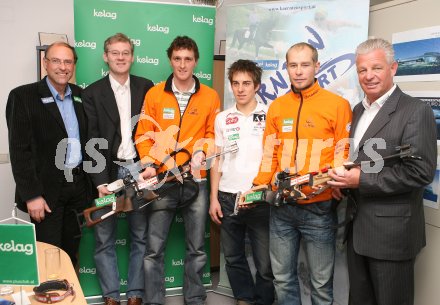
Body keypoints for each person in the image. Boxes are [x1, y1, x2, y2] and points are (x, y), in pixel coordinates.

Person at [328, 38, 437, 305]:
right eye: (362, 70)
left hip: (391, 237)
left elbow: (420, 172)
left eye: (376, 68)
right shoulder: (357, 110)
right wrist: (342, 179)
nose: (369, 76)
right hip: (357, 231)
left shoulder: (415, 111)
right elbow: (360, 159)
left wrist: (360, 180)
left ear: (393, 68)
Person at [252, 42, 352, 305]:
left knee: (321, 284)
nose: (298, 71)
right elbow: (269, 154)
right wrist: (260, 184)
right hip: (281, 208)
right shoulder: (277, 107)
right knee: (283, 279)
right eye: (292, 65)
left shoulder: (338, 105)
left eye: (305, 65)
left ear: (316, 66)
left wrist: (339, 180)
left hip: (319, 208)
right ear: (286, 68)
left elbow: (343, 151)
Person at [135, 36, 221, 305]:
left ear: (196, 61)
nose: (182, 65)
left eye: (188, 59)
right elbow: (143, 133)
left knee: (197, 248)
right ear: (170, 60)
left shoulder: (210, 96)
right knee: (154, 249)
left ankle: (195, 299)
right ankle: (154, 300)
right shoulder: (155, 94)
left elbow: (211, 134)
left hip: (197, 181)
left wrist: (201, 152)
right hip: (163, 182)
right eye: (177, 58)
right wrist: (153, 163)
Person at [82, 33, 154, 305]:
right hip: (106, 176)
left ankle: (135, 294)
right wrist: (99, 180)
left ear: (132, 57)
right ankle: (111, 297)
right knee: (103, 239)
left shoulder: (147, 87)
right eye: (115, 53)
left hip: (138, 172)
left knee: (140, 236)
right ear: (106, 56)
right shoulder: (92, 93)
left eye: (126, 53)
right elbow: (92, 140)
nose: (121, 57)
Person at [6, 42, 90, 265]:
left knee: (72, 254)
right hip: (45, 192)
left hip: (78, 188)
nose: (62, 67)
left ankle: (69, 298)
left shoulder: (82, 96)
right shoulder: (23, 96)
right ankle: (50, 298)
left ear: (73, 66)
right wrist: (31, 195)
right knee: (48, 256)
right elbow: (19, 151)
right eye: (56, 60)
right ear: (45, 64)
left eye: (68, 62)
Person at [209, 59, 274, 305]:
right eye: (235, 83)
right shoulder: (222, 118)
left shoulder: (270, 115)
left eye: (246, 83)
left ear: (256, 85)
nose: (240, 89)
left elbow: (276, 158)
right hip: (227, 197)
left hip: (259, 197)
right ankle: (244, 298)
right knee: (234, 258)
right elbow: (216, 160)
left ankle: (264, 300)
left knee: (265, 263)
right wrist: (214, 197)